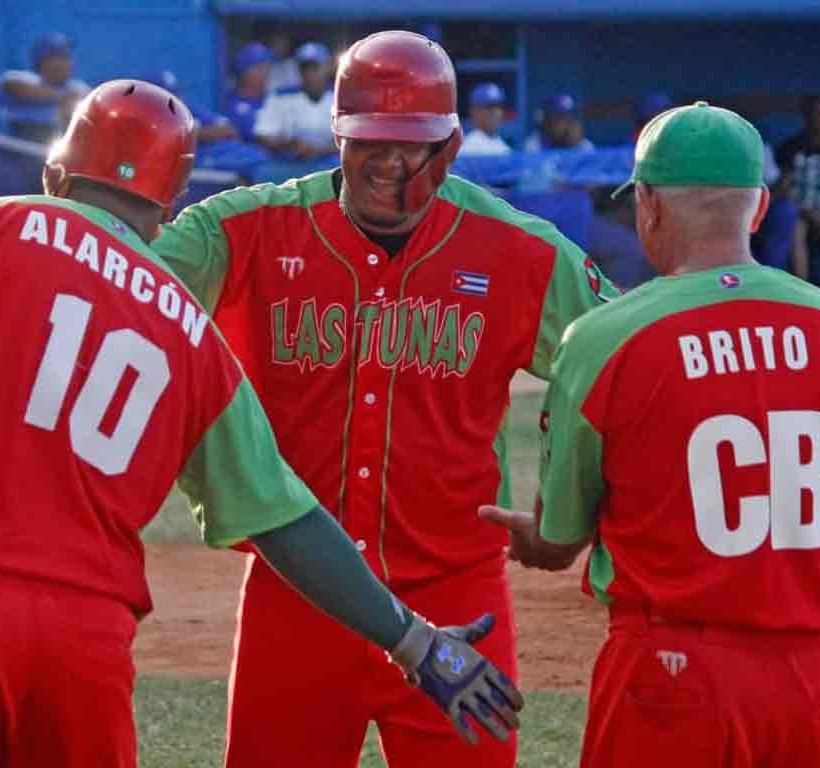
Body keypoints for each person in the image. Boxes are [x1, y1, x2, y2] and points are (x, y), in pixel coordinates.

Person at [0, 80, 522, 768]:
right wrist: (414, 642)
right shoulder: (193, 339)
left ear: (57, 174)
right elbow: (290, 522)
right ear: (171, 200)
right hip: (85, 643)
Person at [152, 30, 615, 768]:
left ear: (453, 146)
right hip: (295, 593)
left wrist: (572, 505)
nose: (391, 164)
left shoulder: (518, 251)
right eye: (370, 142)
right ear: (336, 136)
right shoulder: (248, 230)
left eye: (415, 145)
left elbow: (624, 363)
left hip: (458, 592)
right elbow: (112, 281)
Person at [483, 102, 820, 767]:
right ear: (759, 208)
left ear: (646, 204)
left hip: (674, 671)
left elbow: (560, 538)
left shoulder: (605, 337)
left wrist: (532, 542)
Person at [776, 94, 820, 290]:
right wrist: (810, 213)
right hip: (801, 212)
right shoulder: (790, 148)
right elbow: (783, 189)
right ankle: (803, 290)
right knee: (795, 223)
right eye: (817, 114)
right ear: (806, 117)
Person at [0, 32, 90, 144]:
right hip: (21, 142)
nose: (65, 63)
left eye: (67, 57)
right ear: (42, 61)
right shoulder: (22, 79)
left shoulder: (78, 87)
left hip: (58, 147)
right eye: (58, 57)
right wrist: (62, 96)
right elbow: (11, 85)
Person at [254, 42, 336, 159]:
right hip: (291, 162)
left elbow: (351, 142)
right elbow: (263, 136)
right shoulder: (281, 96)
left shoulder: (342, 97)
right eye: (305, 68)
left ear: (327, 67)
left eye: (315, 68)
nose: (309, 74)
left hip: (329, 162)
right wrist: (288, 144)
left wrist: (320, 150)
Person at [149, 68, 238, 144]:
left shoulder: (186, 107)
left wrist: (199, 133)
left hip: (229, 152)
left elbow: (229, 128)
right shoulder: (148, 118)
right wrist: (203, 133)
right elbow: (173, 138)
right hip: (206, 159)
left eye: (173, 93)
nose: (173, 99)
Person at [224, 41, 273, 142]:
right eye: (260, 68)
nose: (266, 73)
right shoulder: (232, 105)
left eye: (267, 67)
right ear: (245, 73)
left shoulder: (274, 99)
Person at [523, 93, 594, 152]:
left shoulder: (583, 145)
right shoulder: (535, 144)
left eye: (569, 116)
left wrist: (574, 147)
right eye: (560, 117)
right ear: (546, 121)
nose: (567, 122)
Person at [459, 83, 512, 156]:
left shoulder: (501, 144)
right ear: (474, 111)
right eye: (490, 107)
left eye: (499, 107)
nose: (497, 113)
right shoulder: (468, 147)